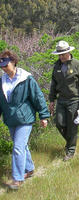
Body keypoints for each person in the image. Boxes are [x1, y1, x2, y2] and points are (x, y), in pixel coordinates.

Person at [0, 51, 49, 190]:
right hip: (10, 119)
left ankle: (18, 178)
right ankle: (30, 168)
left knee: (17, 148)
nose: (3, 68)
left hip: (25, 118)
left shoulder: (26, 78)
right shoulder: (1, 81)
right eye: (1, 66)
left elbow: (37, 97)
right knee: (21, 146)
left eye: (6, 65)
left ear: (14, 62)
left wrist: (44, 116)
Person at [49, 41, 79, 161]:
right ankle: (70, 142)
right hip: (61, 100)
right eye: (59, 54)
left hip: (75, 100)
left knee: (72, 126)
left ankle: (70, 151)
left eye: (63, 54)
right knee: (59, 123)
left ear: (69, 52)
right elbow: (53, 85)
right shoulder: (56, 66)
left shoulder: (78, 65)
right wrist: (51, 100)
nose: (61, 56)